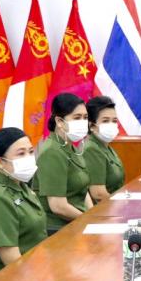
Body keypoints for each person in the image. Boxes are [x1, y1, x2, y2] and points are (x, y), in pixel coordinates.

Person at [0, 127, 47, 274]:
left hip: (38, 264)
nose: (29, 158)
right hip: (13, 278)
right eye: (21, 154)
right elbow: (13, 262)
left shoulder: (22, 186)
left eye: (31, 152)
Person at [33, 93, 93, 232]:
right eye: (77, 117)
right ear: (60, 121)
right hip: (57, 229)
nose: (83, 122)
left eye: (85, 117)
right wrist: (89, 220)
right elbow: (58, 207)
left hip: (78, 221)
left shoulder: (70, 146)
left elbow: (83, 190)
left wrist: (93, 215)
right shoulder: (52, 152)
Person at [82, 95, 126, 203]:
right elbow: (98, 194)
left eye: (114, 121)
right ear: (92, 126)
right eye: (105, 121)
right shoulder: (92, 149)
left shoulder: (106, 146)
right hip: (104, 209)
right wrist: (123, 206)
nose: (111, 124)